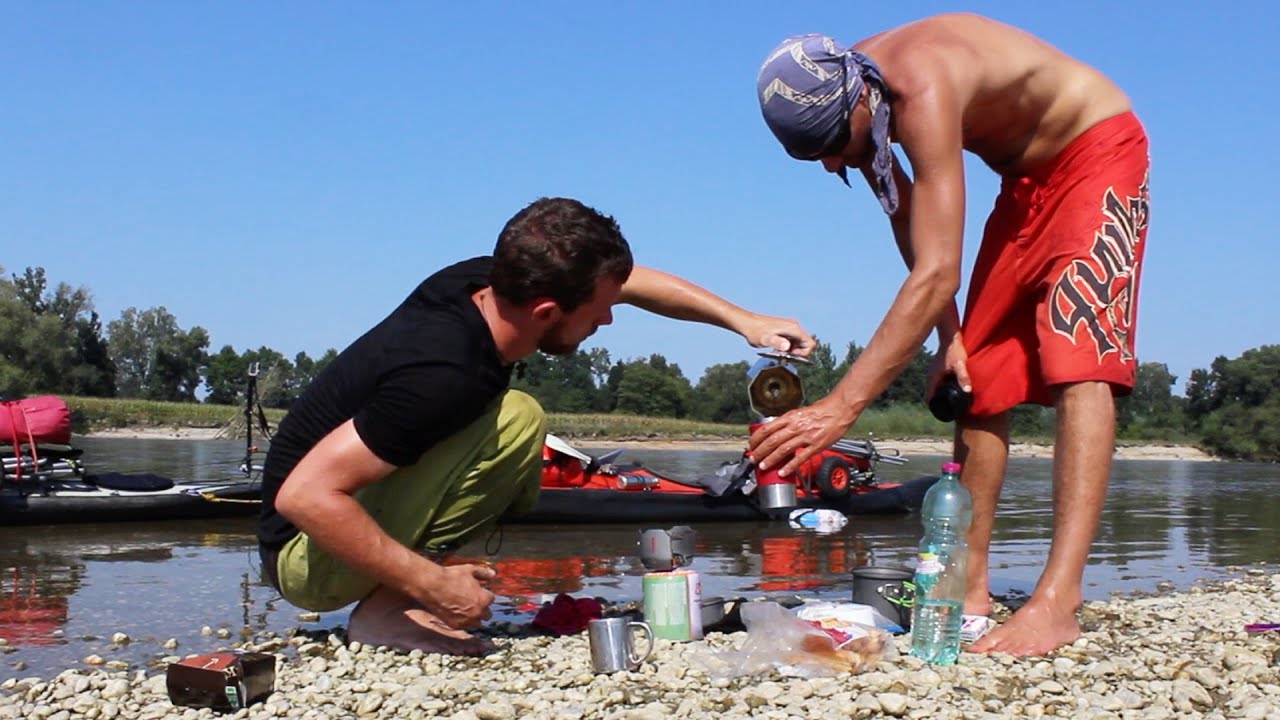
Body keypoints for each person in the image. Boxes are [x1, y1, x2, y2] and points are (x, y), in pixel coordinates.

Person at [751, 14, 1149, 656]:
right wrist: (949, 337)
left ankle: (1058, 601)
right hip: (1024, 183)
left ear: (860, 102)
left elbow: (938, 270)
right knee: (979, 375)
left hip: (1096, 151)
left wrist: (842, 406)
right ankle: (966, 585)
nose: (831, 165)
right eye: (813, 156)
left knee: (1079, 356)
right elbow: (914, 227)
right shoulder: (858, 95)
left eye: (832, 144)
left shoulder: (918, 87)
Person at [258, 196, 815, 656]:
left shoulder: (491, 283)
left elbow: (633, 282)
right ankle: (388, 615)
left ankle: (402, 600)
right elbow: (303, 495)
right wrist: (434, 586)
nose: (609, 318)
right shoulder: (445, 374)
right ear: (548, 312)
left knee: (512, 421)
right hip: (309, 558)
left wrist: (743, 320)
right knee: (517, 420)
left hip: (327, 526)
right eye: (599, 310)